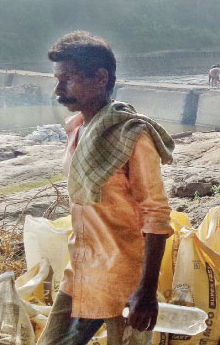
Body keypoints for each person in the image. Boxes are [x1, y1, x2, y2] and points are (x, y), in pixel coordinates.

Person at [38, 31, 175, 345]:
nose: (58, 88)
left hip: (125, 279)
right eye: (57, 80)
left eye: (67, 79)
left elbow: (156, 216)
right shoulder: (77, 129)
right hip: (82, 271)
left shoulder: (132, 135)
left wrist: (147, 292)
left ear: (100, 77)